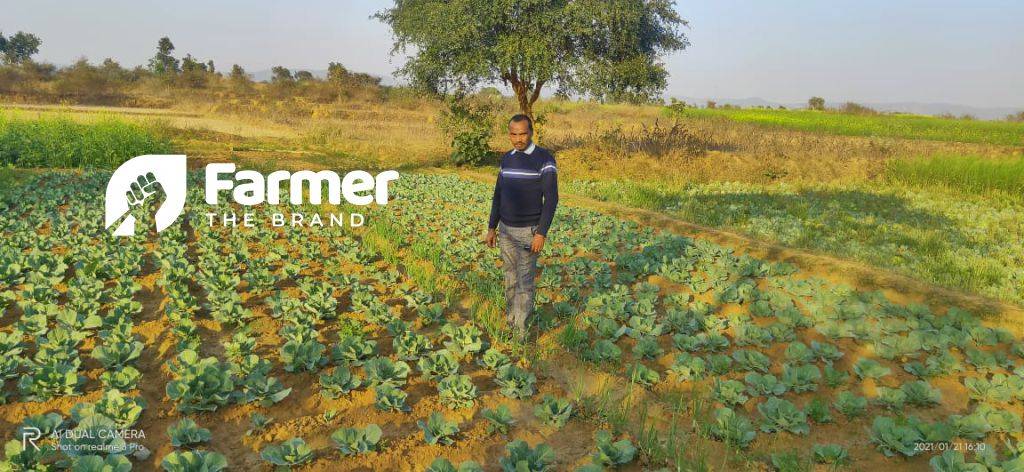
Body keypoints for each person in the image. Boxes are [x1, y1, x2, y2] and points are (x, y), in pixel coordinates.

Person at [485, 114, 559, 337]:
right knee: (510, 276)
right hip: (506, 230)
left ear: (531, 132)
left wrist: (541, 233)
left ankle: (520, 330)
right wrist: (492, 227)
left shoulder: (544, 159)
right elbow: (498, 194)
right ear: (509, 134)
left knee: (525, 281)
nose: (518, 139)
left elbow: (552, 199)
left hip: (529, 232)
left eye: (523, 133)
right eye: (514, 134)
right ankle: (511, 320)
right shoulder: (507, 159)